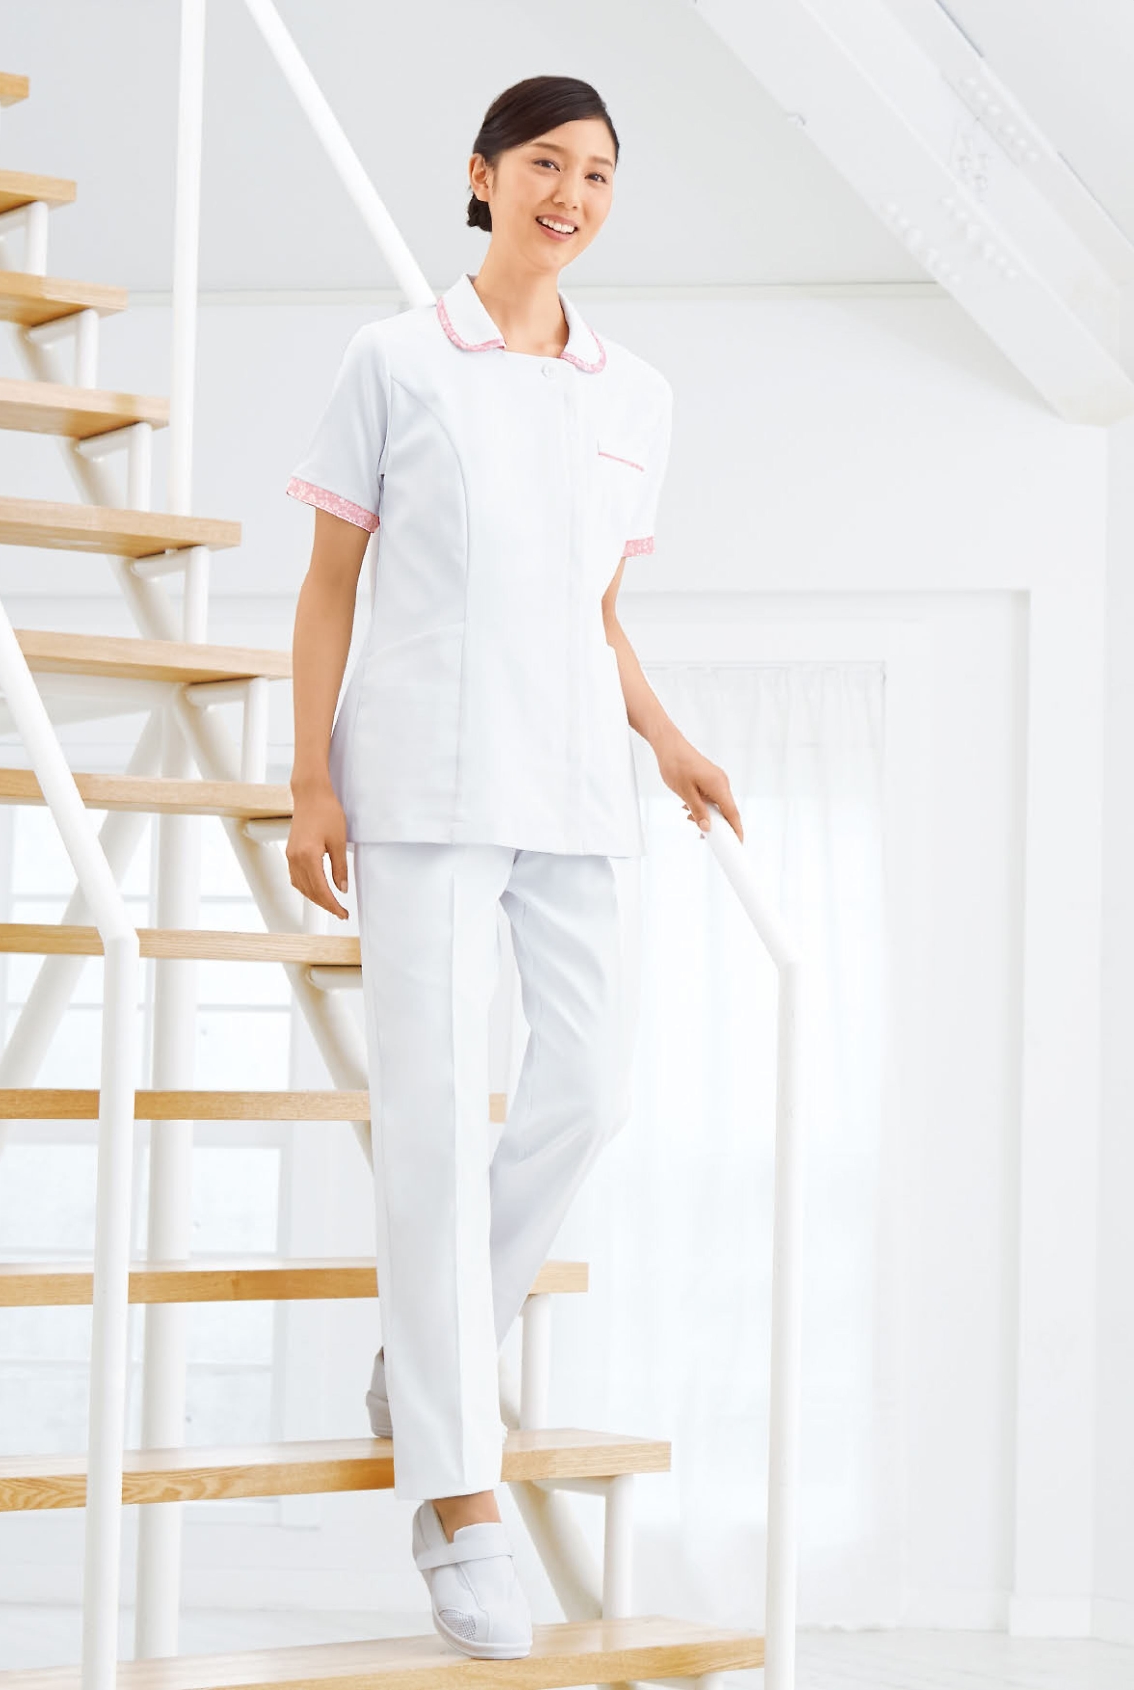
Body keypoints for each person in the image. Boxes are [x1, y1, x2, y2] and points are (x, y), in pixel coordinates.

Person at [283, 73, 742, 1660]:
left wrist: (666, 736)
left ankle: (431, 1350)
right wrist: (307, 777)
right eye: (547, 163)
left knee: (590, 1087)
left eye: (599, 173)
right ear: (481, 176)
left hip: (578, 779)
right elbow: (330, 580)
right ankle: (457, 1499)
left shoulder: (637, 396)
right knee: (426, 1118)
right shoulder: (394, 359)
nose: (573, 194)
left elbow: (593, 607)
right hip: (418, 777)